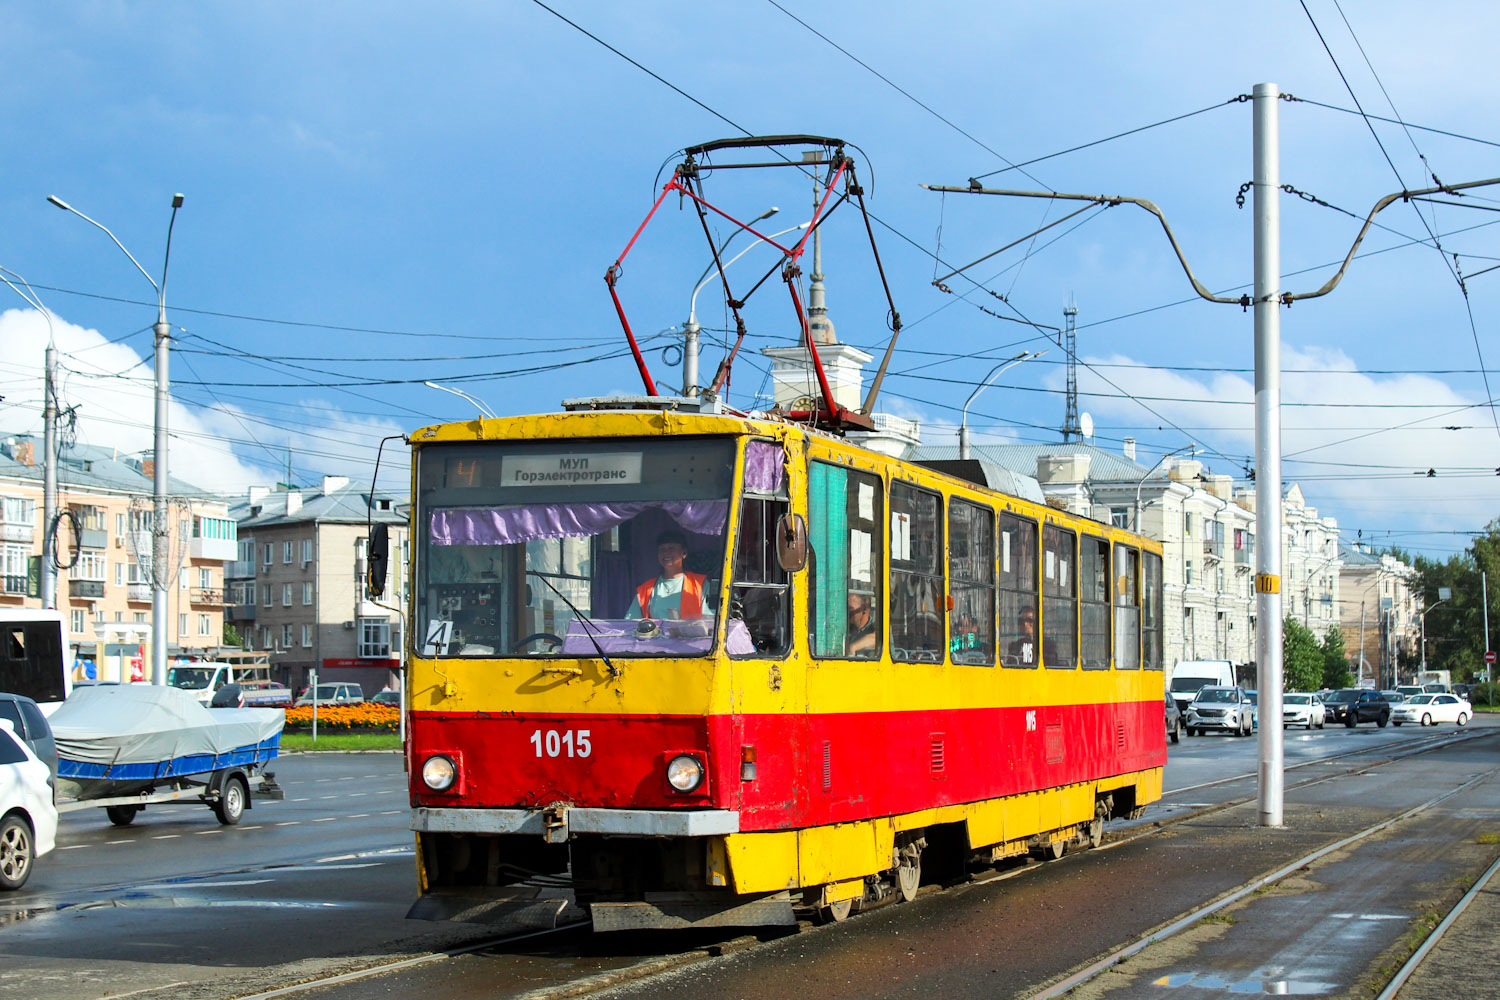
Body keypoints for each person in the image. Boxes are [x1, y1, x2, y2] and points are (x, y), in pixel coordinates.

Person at [626, 529, 708, 620]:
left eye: (671, 548)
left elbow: (710, 621)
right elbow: (631, 623)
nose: (666, 553)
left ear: (684, 553)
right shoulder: (645, 589)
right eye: (662, 549)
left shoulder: (701, 584)